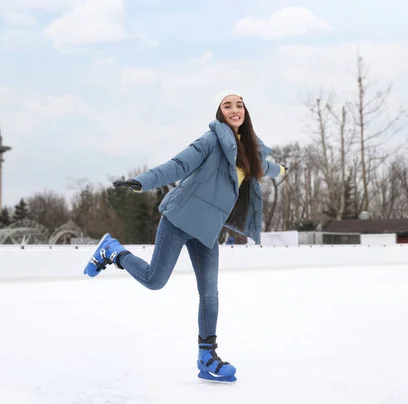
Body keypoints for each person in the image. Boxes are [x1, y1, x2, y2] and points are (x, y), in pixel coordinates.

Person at [83, 89, 286, 384]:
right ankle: (112, 251)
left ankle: (207, 358)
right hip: (179, 218)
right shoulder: (211, 141)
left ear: (245, 112)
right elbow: (178, 165)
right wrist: (143, 181)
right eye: (227, 105)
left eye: (238, 105)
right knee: (155, 280)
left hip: (207, 231)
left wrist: (281, 169)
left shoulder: (251, 152)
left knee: (210, 294)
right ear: (220, 113)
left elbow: (266, 168)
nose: (234, 110)